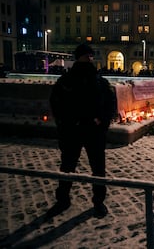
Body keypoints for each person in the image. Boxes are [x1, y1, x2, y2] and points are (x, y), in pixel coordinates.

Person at [48, 43, 116, 219]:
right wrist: (66, 124)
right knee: (67, 166)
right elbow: (56, 103)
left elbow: (110, 104)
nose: (90, 59)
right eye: (86, 56)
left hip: (94, 131)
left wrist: (102, 122)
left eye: (91, 56)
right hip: (73, 131)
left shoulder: (100, 81)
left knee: (98, 168)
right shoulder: (67, 80)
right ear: (78, 57)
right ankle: (63, 198)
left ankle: (99, 201)